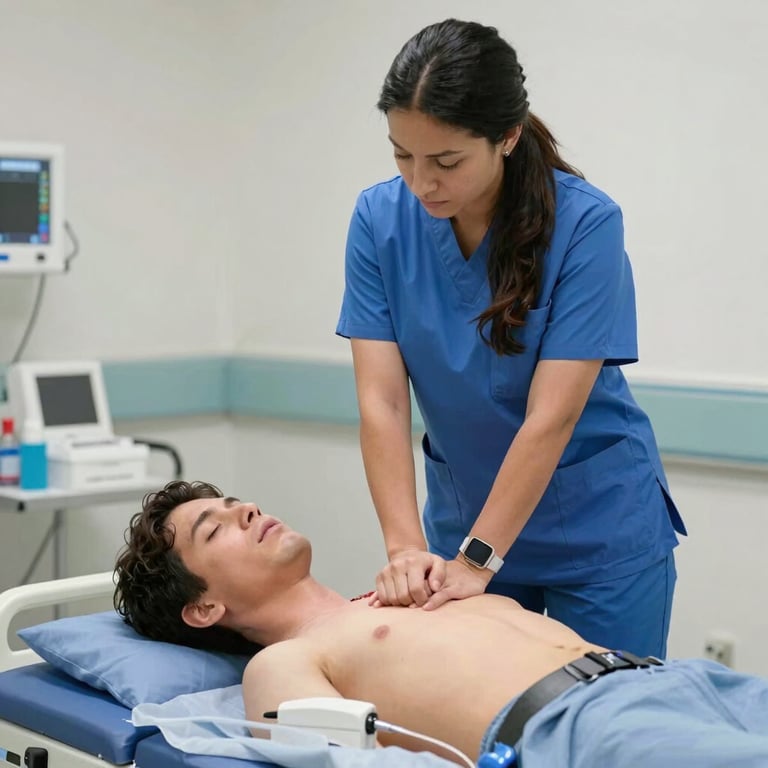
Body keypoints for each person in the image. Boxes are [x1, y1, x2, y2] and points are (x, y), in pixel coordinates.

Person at [335, 18, 686, 658]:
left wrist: (478, 559)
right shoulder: (378, 220)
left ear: (508, 136)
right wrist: (405, 547)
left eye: (446, 161)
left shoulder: (586, 223)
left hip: (596, 531)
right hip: (463, 519)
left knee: (602, 738)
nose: (422, 183)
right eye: (402, 155)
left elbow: (550, 417)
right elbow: (381, 403)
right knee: (480, 734)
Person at [114, 481, 767, 768]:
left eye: (235, 503)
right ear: (202, 610)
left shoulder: (409, 589)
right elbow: (347, 761)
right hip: (585, 735)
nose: (247, 510)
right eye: (216, 527)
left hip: (678, 682)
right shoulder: (279, 665)